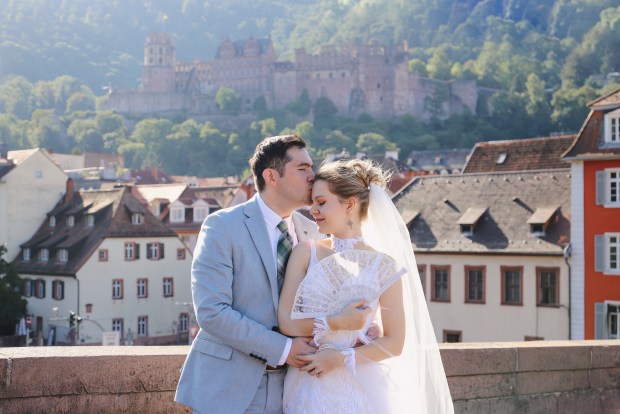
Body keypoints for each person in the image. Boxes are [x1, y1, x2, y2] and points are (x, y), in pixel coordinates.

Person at [175, 135, 367, 414]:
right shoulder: (222, 226)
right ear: (271, 176)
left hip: (295, 387)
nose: (312, 176)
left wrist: (362, 329)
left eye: (312, 167)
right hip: (228, 386)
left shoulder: (314, 231)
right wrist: (283, 349)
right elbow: (211, 311)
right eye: (302, 168)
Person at [278, 159, 454, 414]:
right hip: (307, 383)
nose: (313, 210)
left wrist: (340, 358)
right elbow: (286, 322)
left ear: (349, 204)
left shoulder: (385, 266)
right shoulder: (306, 252)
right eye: (313, 202)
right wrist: (335, 322)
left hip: (360, 385)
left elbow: (395, 342)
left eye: (321, 202)